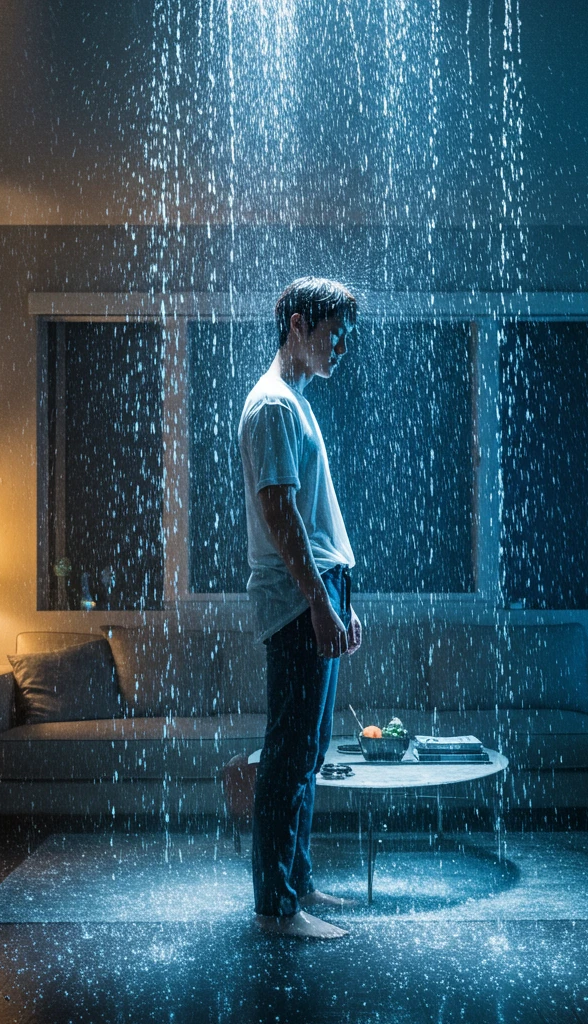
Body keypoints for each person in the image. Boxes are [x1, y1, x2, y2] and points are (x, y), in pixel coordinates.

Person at [238, 276, 363, 940]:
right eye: (333, 328)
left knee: (307, 753)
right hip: (296, 601)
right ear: (296, 324)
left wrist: (343, 599)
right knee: (287, 754)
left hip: (316, 594)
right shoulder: (274, 407)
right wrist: (319, 602)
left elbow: (312, 519)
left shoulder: (296, 403)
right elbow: (280, 512)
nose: (344, 343)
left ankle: (298, 881)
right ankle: (275, 909)